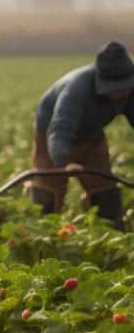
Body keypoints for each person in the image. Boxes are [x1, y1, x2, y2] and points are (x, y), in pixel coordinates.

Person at [29, 41, 134, 230]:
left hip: (91, 135)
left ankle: (114, 234)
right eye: (116, 89)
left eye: (125, 88)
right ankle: (40, 235)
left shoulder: (129, 91)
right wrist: (64, 161)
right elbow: (60, 128)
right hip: (52, 134)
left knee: (104, 186)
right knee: (49, 186)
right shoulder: (78, 88)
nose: (122, 94)